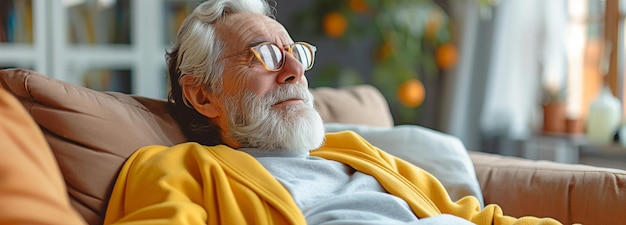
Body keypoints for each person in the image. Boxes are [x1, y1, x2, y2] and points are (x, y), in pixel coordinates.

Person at [103, 0, 562, 224]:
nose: (293, 72)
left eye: (296, 54)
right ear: (203, 96)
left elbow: (479, 218)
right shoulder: (179, 169)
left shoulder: (357, 154)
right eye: (263, 55)